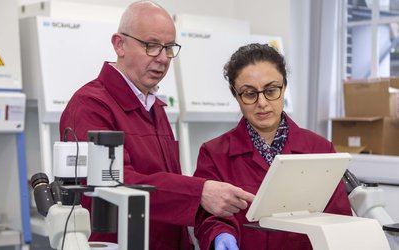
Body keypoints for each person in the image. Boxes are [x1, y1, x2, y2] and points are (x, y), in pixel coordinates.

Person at [59, 1, 254, 249]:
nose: (163, 58)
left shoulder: (153, 106)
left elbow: (164, 182)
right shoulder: (90, 106)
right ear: (119, 44)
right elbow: (112, 182)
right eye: (151, 46)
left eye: (169, 48)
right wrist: (199, 192)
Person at [193, 43, 353, 250]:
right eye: (250, 94)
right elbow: (208, 217)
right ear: (235, 95)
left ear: (284, 86)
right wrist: (219, 235)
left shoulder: (320, 149)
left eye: (270, 90)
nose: (262, 102)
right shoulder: (214, 153)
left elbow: (338, 220)